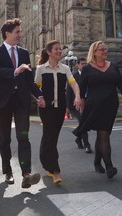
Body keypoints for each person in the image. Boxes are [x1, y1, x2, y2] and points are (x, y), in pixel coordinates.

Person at [0, 18, 45, 189]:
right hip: (3, 102)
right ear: (7, 33)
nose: (20, 34)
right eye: (17, 32)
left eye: (20, 31)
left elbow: (29, 81)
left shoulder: (23, 52)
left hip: (21, 101)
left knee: (23, 137)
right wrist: (16, 71)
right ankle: (7, 171)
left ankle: (26, 174)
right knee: (4, 138)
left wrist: (39, 96)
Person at [73, 40, 122, 179]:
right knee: (103, 133)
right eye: (102, 50)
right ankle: (109, 166)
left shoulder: (113, 67)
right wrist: (80, 104)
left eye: (106, 49)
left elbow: (120, 84)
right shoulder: (87, 68)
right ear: (94, 52)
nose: (105, 52)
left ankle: (96, 162)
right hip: (94, 105)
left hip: (111, 105)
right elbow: (82, 90)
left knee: (103, 133)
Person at [35, 40, 81, 184]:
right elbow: (36, 87)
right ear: (49, 52)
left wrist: (78, 96)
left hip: (60, 107)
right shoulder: (41, 69)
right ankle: (55, 171)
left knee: (52, 136)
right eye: (56, 49)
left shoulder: (65, 69)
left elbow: (73, 84)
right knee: (49, 134)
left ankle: (46, 162)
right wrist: (39, 98)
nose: (59, 51)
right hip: (46, 108)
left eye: (60, 49)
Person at [66, 57, 92, 153]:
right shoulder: (73, 77)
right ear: (78, 65)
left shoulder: (90, 75)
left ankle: (77, 136)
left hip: (88, 103)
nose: (84, 65)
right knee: (83, 123)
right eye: (82, 64)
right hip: (76, 104)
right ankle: (87, 145)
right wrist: (68, 107)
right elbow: (69, 92)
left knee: (85, 123)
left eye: (86, 64)